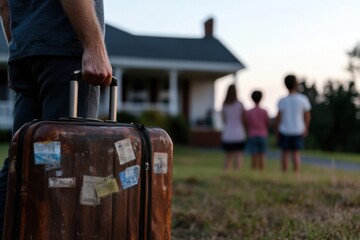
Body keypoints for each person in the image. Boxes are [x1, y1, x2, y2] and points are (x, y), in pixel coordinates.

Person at [0, 0, 112, 235]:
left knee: (20, 164)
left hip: (26, 54)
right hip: (65, 53)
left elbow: (4, 5)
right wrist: (94, 45)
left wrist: (21, 47)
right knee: (71, 168)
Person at [276, 74, 311, 173]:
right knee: (296, 154)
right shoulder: (302, 99)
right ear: (296, 84)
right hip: (298, 129)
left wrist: (277, 130)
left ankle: (285, 174)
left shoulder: (282, 100)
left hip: (284, 130)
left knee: (285, 154)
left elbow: (278, 117)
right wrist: (306, 127)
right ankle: (296, 174)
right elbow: (307, 115)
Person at [221, 84, 246, 171]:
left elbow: (224, 120)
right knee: (238, 155)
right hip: (239, 133)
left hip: (228, 133)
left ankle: (226, 172)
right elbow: (243, 119)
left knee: (227, 156)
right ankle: (237, 173)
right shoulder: (240, 104)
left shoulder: (225, 105)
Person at [245, 90, 269, 170]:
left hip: (252, 134)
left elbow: (247, 123)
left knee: (253, 155)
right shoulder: (264, 111)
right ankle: (261, 171)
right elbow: (267, 123)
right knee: (262, 155)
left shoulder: (249, 112)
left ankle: (254, 171)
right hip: (262, 134)